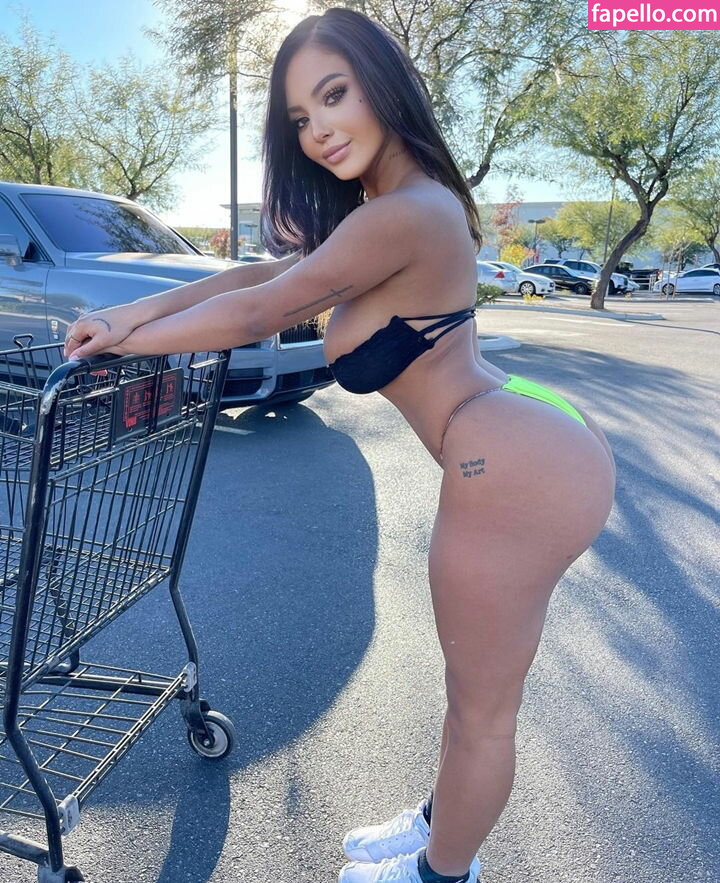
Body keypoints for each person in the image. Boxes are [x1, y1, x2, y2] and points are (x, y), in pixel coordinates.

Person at [64, 8, 617, 883]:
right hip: (517, 438)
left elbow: (258, 311)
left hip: (513, 464)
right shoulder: (388, 209)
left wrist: (123, 346)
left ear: (383, 87)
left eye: (334, 95)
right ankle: (441, 824)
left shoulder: (411, 212)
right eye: (299, 117)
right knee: (472, 692)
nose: (318, 129)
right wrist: (130, 313)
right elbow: (260, 275)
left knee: (484, 712)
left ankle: (443, 871)